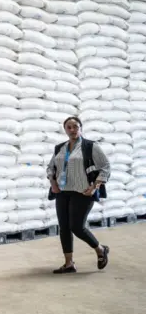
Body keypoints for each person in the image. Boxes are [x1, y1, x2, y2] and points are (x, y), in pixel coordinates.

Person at [47, 116, 112, 274]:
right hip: (62, 192)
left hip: (83, 192)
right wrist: (53, 183)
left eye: (75, 126)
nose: (72, 130)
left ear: (81, 128)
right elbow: (51, 168)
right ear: (65, 130)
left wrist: (94, 187)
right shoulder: (60, 148)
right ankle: (69, 263)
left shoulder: (90, 146)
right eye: (68, 127)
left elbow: (105, 167)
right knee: (64, 228)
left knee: (77, 227)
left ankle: (100, 249)